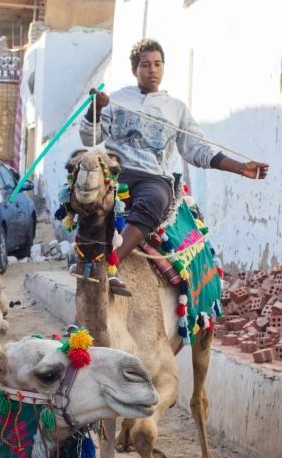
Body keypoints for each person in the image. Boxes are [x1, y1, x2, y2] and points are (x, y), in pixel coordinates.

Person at [79, 38, 269, 296]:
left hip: (153, 177)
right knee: (84, 185)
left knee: (155, 201)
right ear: (135, 69)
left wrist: (240, 167)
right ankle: (81, 255)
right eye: (145, 65)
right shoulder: (115, 100)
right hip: (115, 171)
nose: (152, 70)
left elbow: (198, 149)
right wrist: (95, 110)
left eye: (157, 64)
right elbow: (89, 140)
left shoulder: (176, 109)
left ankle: (109, 266)